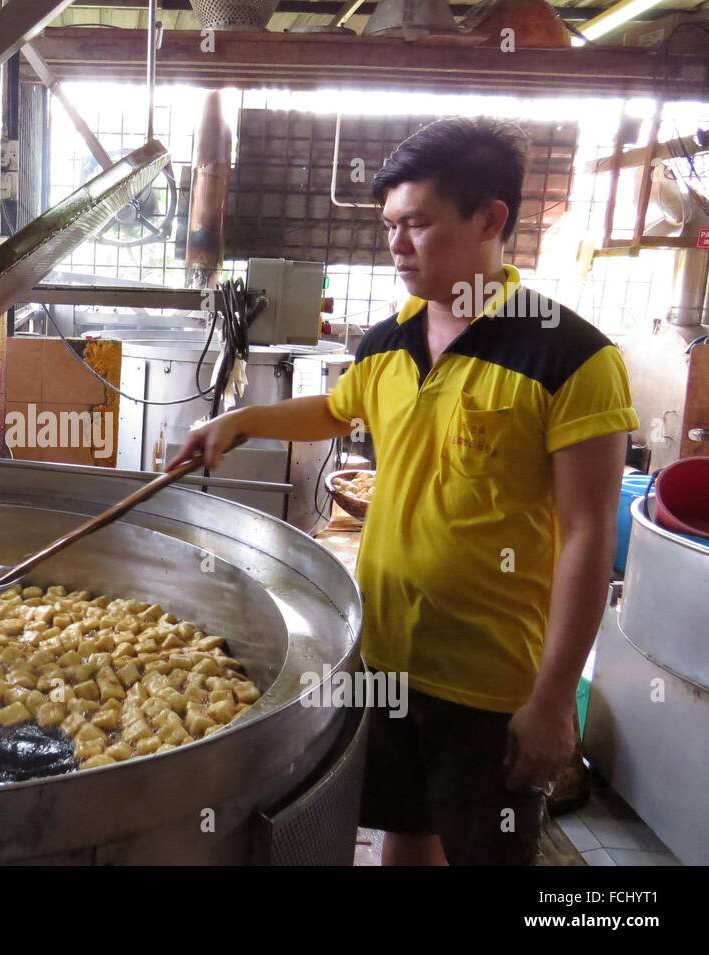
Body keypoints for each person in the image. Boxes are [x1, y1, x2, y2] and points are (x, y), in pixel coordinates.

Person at [170, 117, 638, 865]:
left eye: (417, 223)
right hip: (385, 655)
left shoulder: (570, 355)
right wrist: (241, 418)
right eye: (390, 224)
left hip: (492, 685)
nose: (395, 244)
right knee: (403, 828)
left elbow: (589, 533)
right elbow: (334, 407)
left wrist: (552, 699)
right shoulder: (389, 339)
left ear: (490, 219)